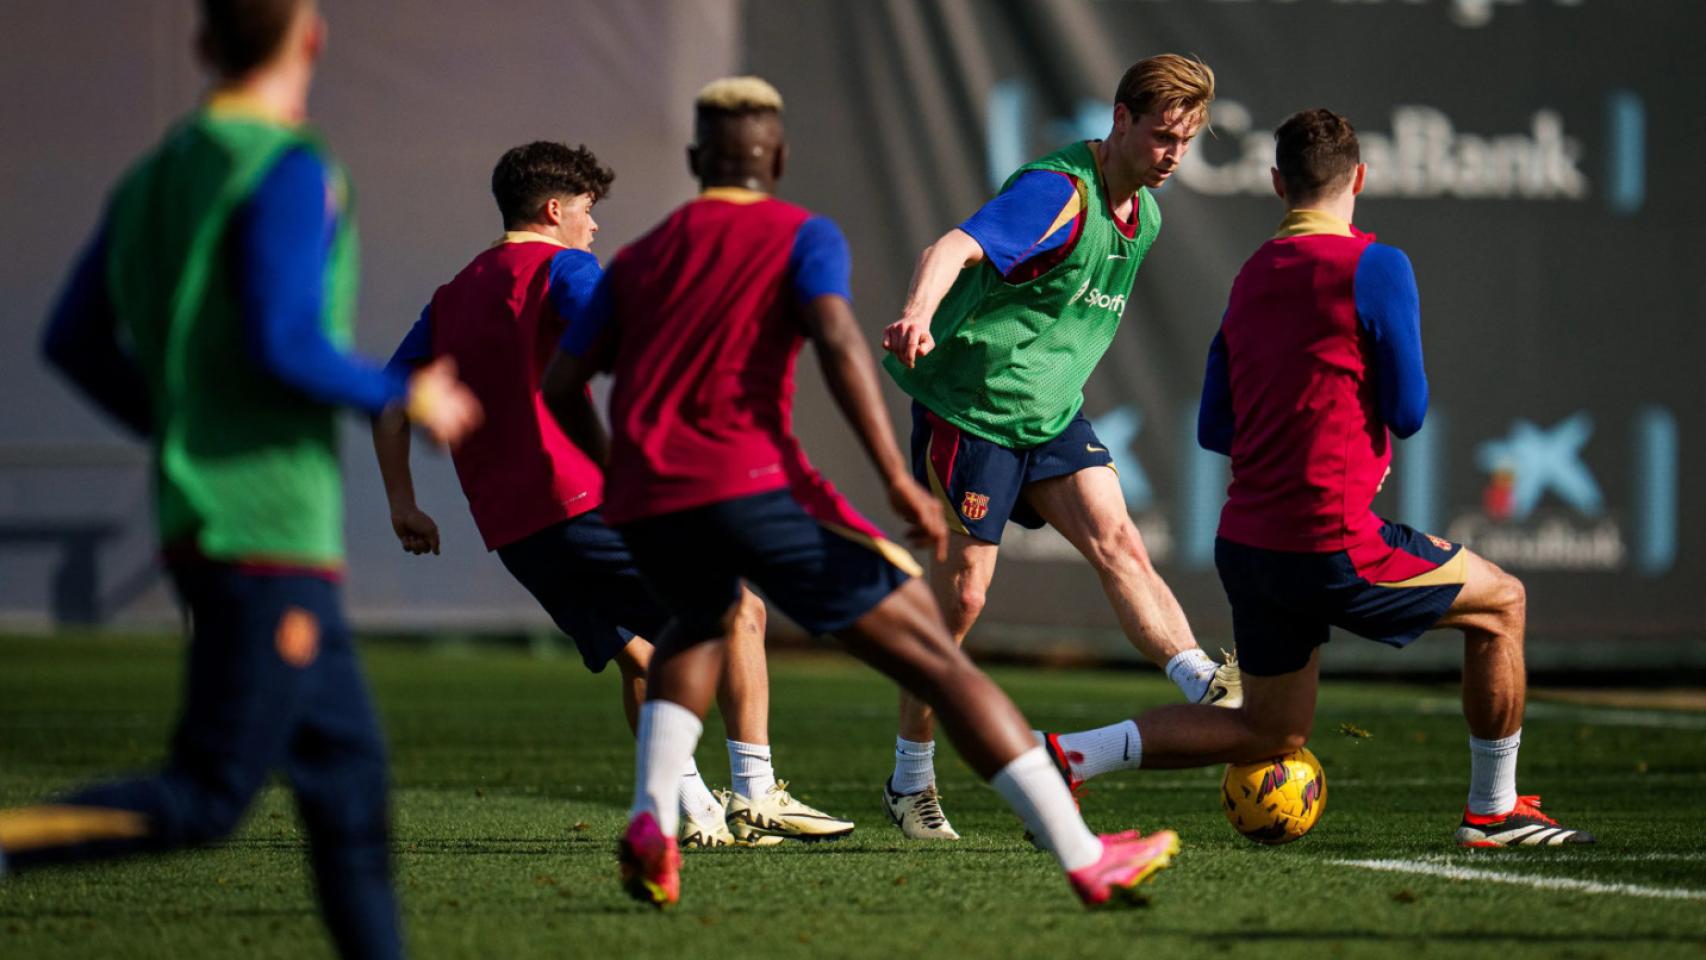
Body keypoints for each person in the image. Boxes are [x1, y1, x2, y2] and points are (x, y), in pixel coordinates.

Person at [541, 75, 1181, 910]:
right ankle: (1083, 855)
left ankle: (651, 821)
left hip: (658, 500)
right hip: (754, 488)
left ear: (696, 159)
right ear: (778, 158)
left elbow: (562, 385)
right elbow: (843, 348)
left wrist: (620, 473)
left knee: (694, 628)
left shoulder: (641, 254)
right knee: (936, 657)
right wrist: (891, 477)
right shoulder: (800, 233)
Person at [0, 1, 483, 957]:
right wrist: (407, 395)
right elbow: (285, 341)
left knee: (349, 785)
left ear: (202, 44)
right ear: (313, 38)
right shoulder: (290, 166)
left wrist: (184, 424)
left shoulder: (155, 176)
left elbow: (72, 340)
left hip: (227, 522)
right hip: (262, 525)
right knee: (210, 794)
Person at [1049, 108, 1593, 849]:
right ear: (1360, 177)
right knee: (1503, 604)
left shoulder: (1252, 275)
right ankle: (1493, 811)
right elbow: (1408, 411)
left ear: (1278, 183)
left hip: (1248, 546)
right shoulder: (1378, 265)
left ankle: (1066, 758)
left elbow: (1214, 429)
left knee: (1271, 731)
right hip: (1331, 541)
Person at [372, 140, 851, 847]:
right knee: (740, 609)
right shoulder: (565, 267)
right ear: (554, 209)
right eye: (588, 210)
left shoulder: (452, 294)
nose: (593, 225)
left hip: (513, 530)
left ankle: (692, 811)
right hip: (585, 501)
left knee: (643, 655)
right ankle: (758, 793)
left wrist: (402, 503)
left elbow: (389, 401)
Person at [876, 53, 1240, 839]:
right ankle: (909, 779)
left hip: (1049, 415)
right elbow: (950, 249)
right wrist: (917, 314)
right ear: (1120, 120)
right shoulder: (1058, 193)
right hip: (971, 411)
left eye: (1185, 141)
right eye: (1162, 136)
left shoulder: (1146, 216)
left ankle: (1206, 686)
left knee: (1121, 542)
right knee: (962, 600)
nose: (1173, 155)